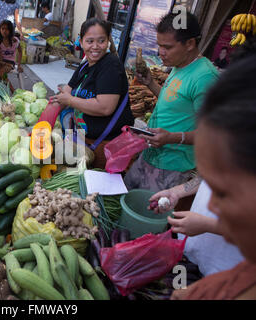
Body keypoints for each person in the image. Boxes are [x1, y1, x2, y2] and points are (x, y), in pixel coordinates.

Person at [168, 55, 256, 300]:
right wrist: (178, 191)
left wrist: (209, 224)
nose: (211, 206)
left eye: (225, 192)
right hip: (200, 257)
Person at [123, 12, 219, 192]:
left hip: (171, 167)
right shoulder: (179, 65)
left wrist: (172, 138)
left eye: (167, 47)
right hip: (150, 155)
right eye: (159, 45)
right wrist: (150, 83)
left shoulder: (205, 78)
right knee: (121, 201)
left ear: (190, 44)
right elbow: (174, 103)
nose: (161, 53)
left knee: (143, 215)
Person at [52, 18, 134, 169]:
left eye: (101, 41)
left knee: (93, 189)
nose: (95, 47)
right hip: (83, 141)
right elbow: (66, 92)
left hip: (106, 146)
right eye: (89, 41)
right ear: (81, 41)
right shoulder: (85, 65)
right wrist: (46, 116)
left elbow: (104, 107)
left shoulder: (110, 67)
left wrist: (70, 101)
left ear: (108, 40)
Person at [149, 175, 244, 278]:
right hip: (192, 247)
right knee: (178, 285)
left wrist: (209, 225)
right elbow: (210, 175)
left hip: (224, 267)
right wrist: (176, 192)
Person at [0, 19, 22, 91]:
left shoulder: (15, 41)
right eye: (2, 29)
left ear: (10, 30)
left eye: (7, 29)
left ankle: (13, 91)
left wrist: (19, 65)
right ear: (0, 30)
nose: (4, 31)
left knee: (1, 74)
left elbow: (20, 52)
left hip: (9, 63)